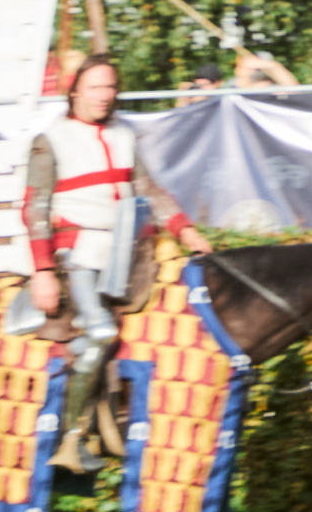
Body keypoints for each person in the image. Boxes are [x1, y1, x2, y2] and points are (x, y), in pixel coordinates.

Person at [23, 53, 213, 476]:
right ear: (74, 90)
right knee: (102, 331)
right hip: (77, 253)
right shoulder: (51, 138)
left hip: (127, 253)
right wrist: (42, 270)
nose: (104, 96)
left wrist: (186, 232)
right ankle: (71, 438)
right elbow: (34, 207)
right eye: (94, 87)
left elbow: (148, 190)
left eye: (110, 87)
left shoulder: (125, 133)